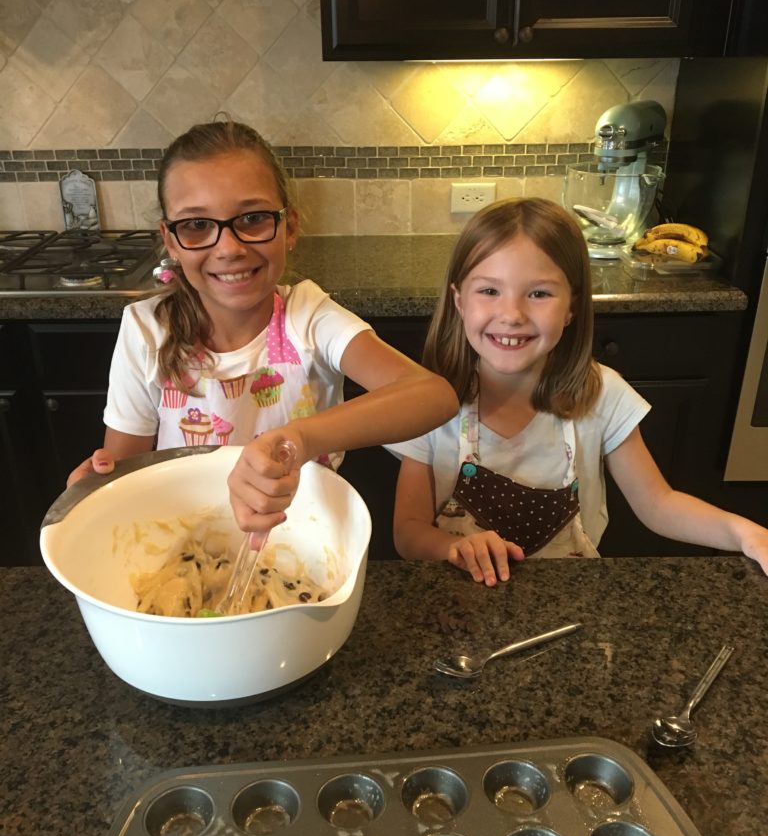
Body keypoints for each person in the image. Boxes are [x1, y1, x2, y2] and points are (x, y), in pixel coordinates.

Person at [69, 120, 458, 541]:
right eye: (197, 226)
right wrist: (98, 488)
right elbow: (126, 473)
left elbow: (433, 396)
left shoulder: (308, 318)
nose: (229, 248)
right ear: (172, 241)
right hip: (182, 538)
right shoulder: (147, 331)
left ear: (289, 227)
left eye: (252, 218)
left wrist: (297, 438)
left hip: (304, 537)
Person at [390, 197, 768, 586]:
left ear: (571, 306)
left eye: (539, 294)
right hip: (459, 607)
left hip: (569, 603)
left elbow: (659, 504)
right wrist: (451, 548)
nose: (511, 314)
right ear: (458, 301)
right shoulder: (430, 402)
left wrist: (746, 534)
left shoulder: (602, 395)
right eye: (489, 291)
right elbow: (408, 530)